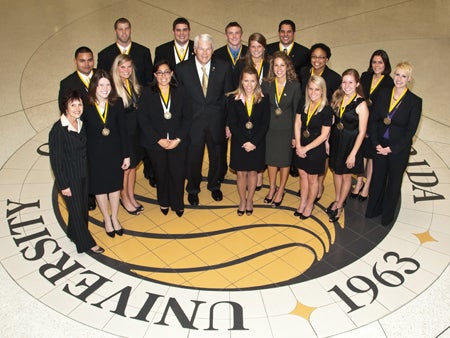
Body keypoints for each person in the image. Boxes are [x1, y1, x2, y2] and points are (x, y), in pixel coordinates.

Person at [176, 34, 233, 205]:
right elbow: (179, 100)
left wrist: (228, 123)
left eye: (208, 49)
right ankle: (193, 188)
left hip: (217, 122)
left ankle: (214, 185)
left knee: (217, 155)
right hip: (193, 123)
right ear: (194, 50)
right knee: (193, 157)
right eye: (201, 48)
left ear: (213, 50)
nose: (204, 52)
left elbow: (229, 97)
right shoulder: (182, 69)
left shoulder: (224, 67)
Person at [365, 61, 422, 226]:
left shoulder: (415, 101)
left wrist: (391, 148)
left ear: (409, 79)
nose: (399, 79)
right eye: (397, 75)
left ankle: (387, 216)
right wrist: (376, 143)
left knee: (393, 183)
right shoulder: (384, 93)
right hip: (380, 145)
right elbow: (374, 119)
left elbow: (410, 131)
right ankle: (373, 210)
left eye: (404, 76)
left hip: (397, 150)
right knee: (377, 180)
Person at [49, 89, 104, 254]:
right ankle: (87, 243)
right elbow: (56, 161)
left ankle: (74, 233)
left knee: (81, 209)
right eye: (73, 105)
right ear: (65, 106)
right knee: (76, 210)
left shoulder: (80, 124)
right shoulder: (58, 131)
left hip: (83, 174)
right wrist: (63, 184)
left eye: (79, 104)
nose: (77, 108)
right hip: (69, 179)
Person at [138, 60, 192, 216]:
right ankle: (164, 201)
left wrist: (178, 139)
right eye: (160, 73)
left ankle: (178, 203)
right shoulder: (147, 93)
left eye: (167, 72)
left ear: (172, 73)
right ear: (155, 75)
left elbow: (187, 118)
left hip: (178, 142)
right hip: (156, 143)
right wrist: (158, 139)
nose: (163, 76)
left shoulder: (181, 91)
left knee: (178, 173)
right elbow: (143, 119)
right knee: (161, 173)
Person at [83, 70, 130, 237]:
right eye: (101, 85)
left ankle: (115, 217)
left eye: (108, 84)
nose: (105, 88)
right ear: (94, 86)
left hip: (114, 153)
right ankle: (106, 219)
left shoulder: (116, 103)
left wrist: (126, 154)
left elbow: (123, 130)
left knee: (115, 187)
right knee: (100, 188)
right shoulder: (86, 106)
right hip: (95, 155)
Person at [298, 43, 341, 199]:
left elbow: (336, 102)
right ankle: (307, 187)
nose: (317, 60)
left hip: (323, 122)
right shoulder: (303, 72)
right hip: (306, 118)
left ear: (327, 59)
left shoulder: (334, 78)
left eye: (321, 57)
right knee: (304, 158)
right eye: (314, 56)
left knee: (322, 156)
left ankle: (319, 183)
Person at [350, 50, 393, 201]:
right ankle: (359, 181)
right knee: (362, 155)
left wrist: (371, 127)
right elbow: (359, 95)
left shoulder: (389, 82)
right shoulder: (365, 76)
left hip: (376, 123)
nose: (376, 65)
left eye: (380, 62)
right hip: (362, 119)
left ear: (385, 64)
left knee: (372, 157)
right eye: (374, 62)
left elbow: (386, 107)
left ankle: (367, 186)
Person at [227, 66, 270, 215]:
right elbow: (232, 123)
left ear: (257, 82)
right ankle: (242, 200)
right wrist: (244, 142)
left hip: (257, 143)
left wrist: (254, 142)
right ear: (241, 81)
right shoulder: (233, 99)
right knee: (240, 174)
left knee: (252, 173)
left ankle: (250, 199)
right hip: (240, 143)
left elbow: (265, 123)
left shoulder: (264, 99)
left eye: (252, 81)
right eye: (246, 81)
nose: (249, 84)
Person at [327, 69, 369, 222]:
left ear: (357, 84)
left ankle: (339, 206)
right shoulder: (338, 97)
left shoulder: (361, 105)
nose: (347, 85)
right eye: (344, 82)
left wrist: (353, 154)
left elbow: (362, 132)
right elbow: (333, 121)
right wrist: (327, 140)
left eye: (350, 82)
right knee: (336, 172)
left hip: (350, 144)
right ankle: (339, 199)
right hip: (337, 140)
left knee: (345, 175)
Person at [58, 46, 97, 211]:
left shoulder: (101, 76)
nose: (87, 64)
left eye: (89, 60)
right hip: (82, 131)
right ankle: (89, 194)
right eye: (82, 60)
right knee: (85, 163)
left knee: (99, 161)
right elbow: (64, 109)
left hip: (101, 128)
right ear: (75, 61)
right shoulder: (68, 83)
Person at [261, 51, 302, 207]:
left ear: (287, 67)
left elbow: (296, 112)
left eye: (282, 65)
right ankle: (272, 188)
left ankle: (281, 189)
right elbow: (262, 108)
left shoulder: (295, 86)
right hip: (270, 129)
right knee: (271, 160)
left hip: (286, 130)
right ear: (272, 67)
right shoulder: (266, 84)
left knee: (284, 162)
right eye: (276, 65)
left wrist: (294, 136)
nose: (279, 68)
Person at [294, 75, 332, 219]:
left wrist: (305, 148)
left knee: (312, 179)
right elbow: (298, 124)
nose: (313, 92)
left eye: (317, 89)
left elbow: (323, 136)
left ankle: (310, 205)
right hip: (301, 145)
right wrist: (298, 145)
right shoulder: (302, 103)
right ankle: (303, 202)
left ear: (322, 91)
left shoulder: (326, 110)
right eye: (310, 89)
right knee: (302, 176)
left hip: (315, 149)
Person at [236, 32, 270, 190]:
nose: (256, 50)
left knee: (261, 141)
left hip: (263, 106)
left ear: (264, 48)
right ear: (249, 48)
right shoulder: (241, 63)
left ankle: (259, 173)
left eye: (259, 46)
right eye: (253, 46)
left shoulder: (270, 65)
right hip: (245, 108)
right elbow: (234, 88)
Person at [111, 54, 144, 215]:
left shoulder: (132, 84)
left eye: (129, 67)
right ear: (116, 68)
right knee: (125, 170)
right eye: (122, 67)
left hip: (135, 134)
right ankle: (124, 199)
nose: (126, 70)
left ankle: (131, 195)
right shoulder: (113, 89)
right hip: (124, 136)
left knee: (132, 168)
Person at [97, 17, 153, 86]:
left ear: (130, 30)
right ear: (115, 31)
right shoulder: (104, 55)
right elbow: (102, 81)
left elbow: (149, 80)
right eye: (120, 29)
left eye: (126, 29)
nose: (124, 32)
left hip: (140, 95)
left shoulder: (144, 52)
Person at [214, 22, 248, 88]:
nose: (234, 36)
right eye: (230, 33)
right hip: (225, 94)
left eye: (237, 33)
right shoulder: (217, 55)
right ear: (226, 35)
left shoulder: (249, 52)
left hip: (246, 93)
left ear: (241, 34)